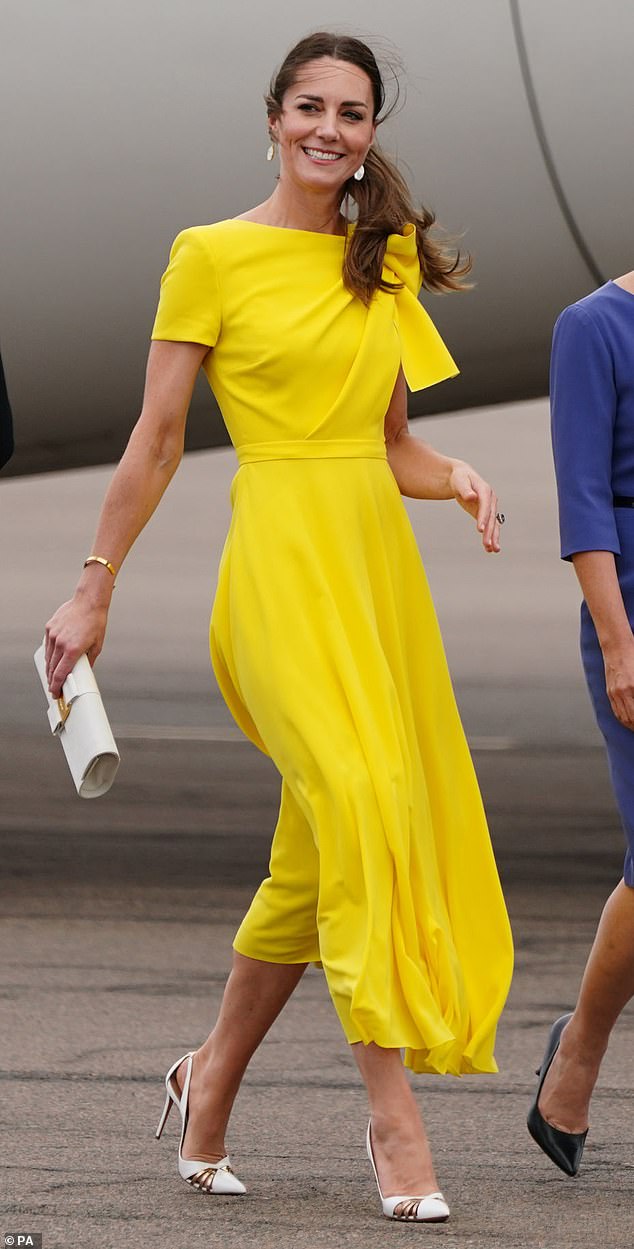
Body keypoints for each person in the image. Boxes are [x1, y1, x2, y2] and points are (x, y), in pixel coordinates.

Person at [44, 32, 513, 1223]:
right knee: (360, 799)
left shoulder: (384, 257)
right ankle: (391, 1115)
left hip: (372, 578)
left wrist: (452, 472)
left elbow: (389, 440)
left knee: (316, 855)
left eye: (351, 113)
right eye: (309, 106)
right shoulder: (208, 255)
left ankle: (206, 1088)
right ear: (272, 117)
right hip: (276, 577)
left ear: (368, 134)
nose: (328, 129)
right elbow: (155, 440)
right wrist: (92, 582)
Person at [529, 270, 634, 1176]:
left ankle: (578, 1052)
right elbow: (585, 500)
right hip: (631, 604)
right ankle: (584, 1047)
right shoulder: (593, 327)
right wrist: (618, 641)